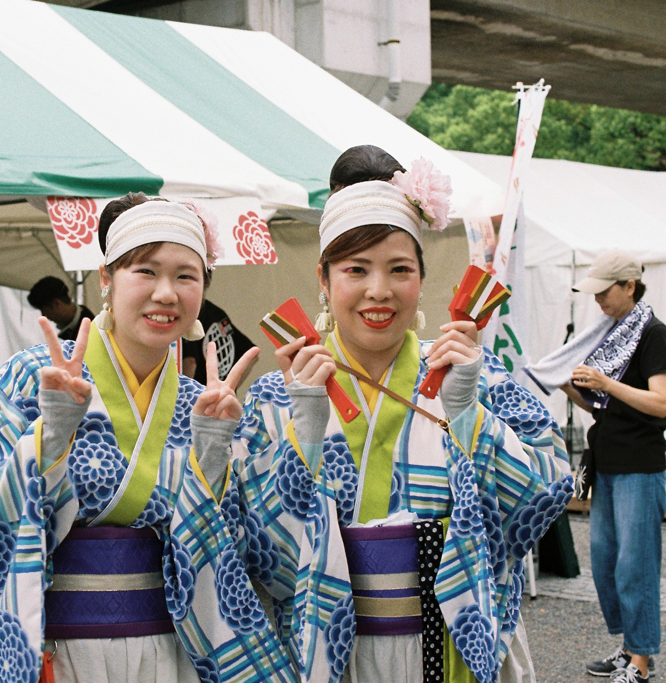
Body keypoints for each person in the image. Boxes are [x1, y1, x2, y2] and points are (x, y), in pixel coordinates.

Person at [234, 145, 574, 683]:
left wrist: (468, 416)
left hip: (451, 639)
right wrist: (305, 430)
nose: (379, 291)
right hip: (331, 645)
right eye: (356, 269)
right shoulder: (278, 399)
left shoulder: (476, 379)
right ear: (323, 279)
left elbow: (543, 502)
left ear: (420, 277)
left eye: (399, 269)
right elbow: (260, 555)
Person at [0, 193, 288, 683]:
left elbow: (248, 557)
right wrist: (47, 439)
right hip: (57, 647)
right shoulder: (34, 375)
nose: (166, 293)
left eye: (186, 276)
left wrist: (213, 457)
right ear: (106, 278)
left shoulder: (200, 405)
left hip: (171, 648)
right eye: (145, 271)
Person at [558, 251, 666, 683]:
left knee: (635, 564)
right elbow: (602, 406)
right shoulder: (612, 333)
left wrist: (605, 382)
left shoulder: (654, 334)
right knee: (604, 561)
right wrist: (566, 383)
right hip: (607, 458)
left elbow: (660, 403)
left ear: (629, 287)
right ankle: (629, 648)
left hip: (641, 465)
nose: (598, 299)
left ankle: (641, 661)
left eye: (605, 290)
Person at [182, 299, 256, 386]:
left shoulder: (189, 314)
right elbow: (251, 354)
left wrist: (185, 395)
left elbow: (190, 362)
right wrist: (228, 387)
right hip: (218, 394)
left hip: (199, 395)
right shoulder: (215, 312)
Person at [27, 276, 95, 341]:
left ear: (57, 304)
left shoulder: (89, 329)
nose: (44, 316)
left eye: (43, 310)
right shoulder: (74, 327)